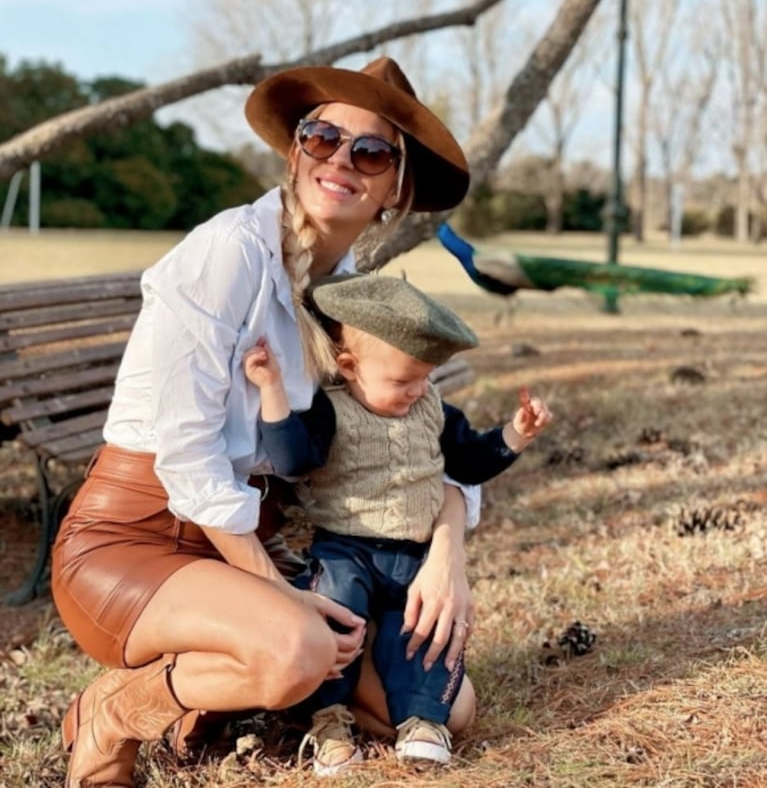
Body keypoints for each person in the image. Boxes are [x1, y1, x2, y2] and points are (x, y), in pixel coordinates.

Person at [50, 56, 482, 788]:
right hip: (135, 539)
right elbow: (188, 463)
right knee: (297, 649)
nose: (341, 160)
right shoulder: (229, 252)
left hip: (245, 546)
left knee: (449, 704)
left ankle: (223, 688)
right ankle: (113, 712)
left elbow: (418, 440)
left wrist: (448, 552)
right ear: (294, 151)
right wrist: (278, 593)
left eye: (370, 151)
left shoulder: (348, 303)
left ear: (393, 190)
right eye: (322, 138)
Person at [243, 272, 553, 774]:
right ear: (348, 366)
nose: (417, 391)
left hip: (413, 554)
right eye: (402, 381)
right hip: (345, 548)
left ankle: (422, 720)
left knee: (422, 631)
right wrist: (272, 388)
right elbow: (292, 458)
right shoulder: (331, 411)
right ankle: (328, 720)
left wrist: (515, 435)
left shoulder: (432, 409)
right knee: (335, 619)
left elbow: (469, 463)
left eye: (424, 377)